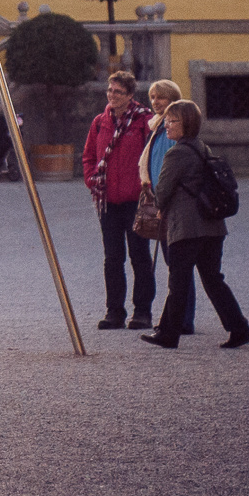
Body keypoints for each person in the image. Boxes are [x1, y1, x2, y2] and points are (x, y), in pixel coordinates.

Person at [141, 100, 249, 350]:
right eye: (166, 121)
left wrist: (157, 201)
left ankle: (169, 334)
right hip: (212, 226)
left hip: (187, 227)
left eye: (172, 121)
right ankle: (239, 328)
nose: (167, 126)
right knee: (213, 279)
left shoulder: (177, 152)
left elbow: (162, 191)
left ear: (187, 124)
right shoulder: (203, 147)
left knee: (178, 282)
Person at [80, 70, 156, 330]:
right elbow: (89, 155)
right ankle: (114, 311)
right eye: (110, 90)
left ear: (130, 95)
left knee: (140, 256)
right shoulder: (100, 122)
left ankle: (142, 312)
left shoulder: (144, 121)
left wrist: (147, 187)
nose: (112, 95)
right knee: (112, 258)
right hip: (107, 201)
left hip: (136, 200)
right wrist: (92, 180)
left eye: (118, 92)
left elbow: (153, 156)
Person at [139, 78, 193, 335]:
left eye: (160, 97)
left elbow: (173, 168)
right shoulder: (158, 127)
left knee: (178, 264)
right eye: (152, 97)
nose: (155, 102)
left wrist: (164, 197)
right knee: (175, 263)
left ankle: (183, 318)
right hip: (161, 198)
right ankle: (178, 317)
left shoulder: (173, 129)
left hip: (173, 202)